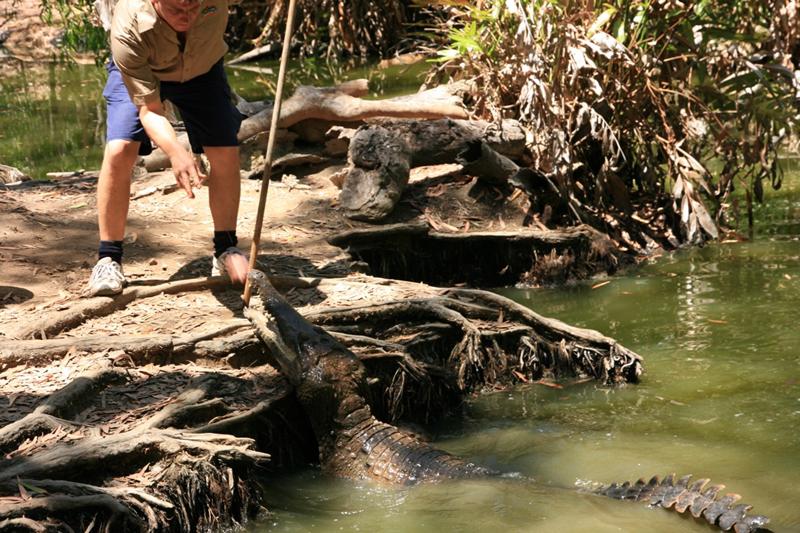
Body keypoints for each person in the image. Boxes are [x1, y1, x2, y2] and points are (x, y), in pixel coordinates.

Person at [86, 0, 249, 296]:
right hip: (144, 71)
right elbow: (150, 109)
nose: (188, 17)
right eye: (177, 11)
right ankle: (108, 258)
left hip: (203, 68)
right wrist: (176, 152)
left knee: (225, 147)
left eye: (195, 8)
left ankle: (226, 249)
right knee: (120, 149)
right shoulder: (129, 23)